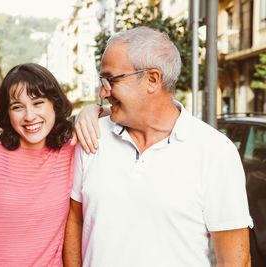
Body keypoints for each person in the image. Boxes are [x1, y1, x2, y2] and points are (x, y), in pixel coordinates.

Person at [63, 26, 253, 267]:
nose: (102, 92)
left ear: (152, 79)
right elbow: (76, 221)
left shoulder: (215, 152)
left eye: (110, 79)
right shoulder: (92, 135)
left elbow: (235, 261)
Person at [0, 63, 97, 266]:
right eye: (17, 107)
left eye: (38, 103)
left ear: (54, 104)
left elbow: (126, 115)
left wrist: (93, 109)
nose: (29, 116)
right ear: (7, 113)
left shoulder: (72, 154)